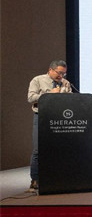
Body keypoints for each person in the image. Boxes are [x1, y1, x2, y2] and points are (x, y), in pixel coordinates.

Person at [26, 60, 72, 192]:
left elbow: (71, 101)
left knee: (59, 149)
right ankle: (35, 180)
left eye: (63, 73)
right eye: (59, 73)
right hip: (42, 117)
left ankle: (57, 178)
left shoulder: (66, 83)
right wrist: (49, 94)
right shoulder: (38, 80)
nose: (61, 76)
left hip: (60, 118)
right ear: (50, 70)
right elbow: (31, 98)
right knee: (38, 150)